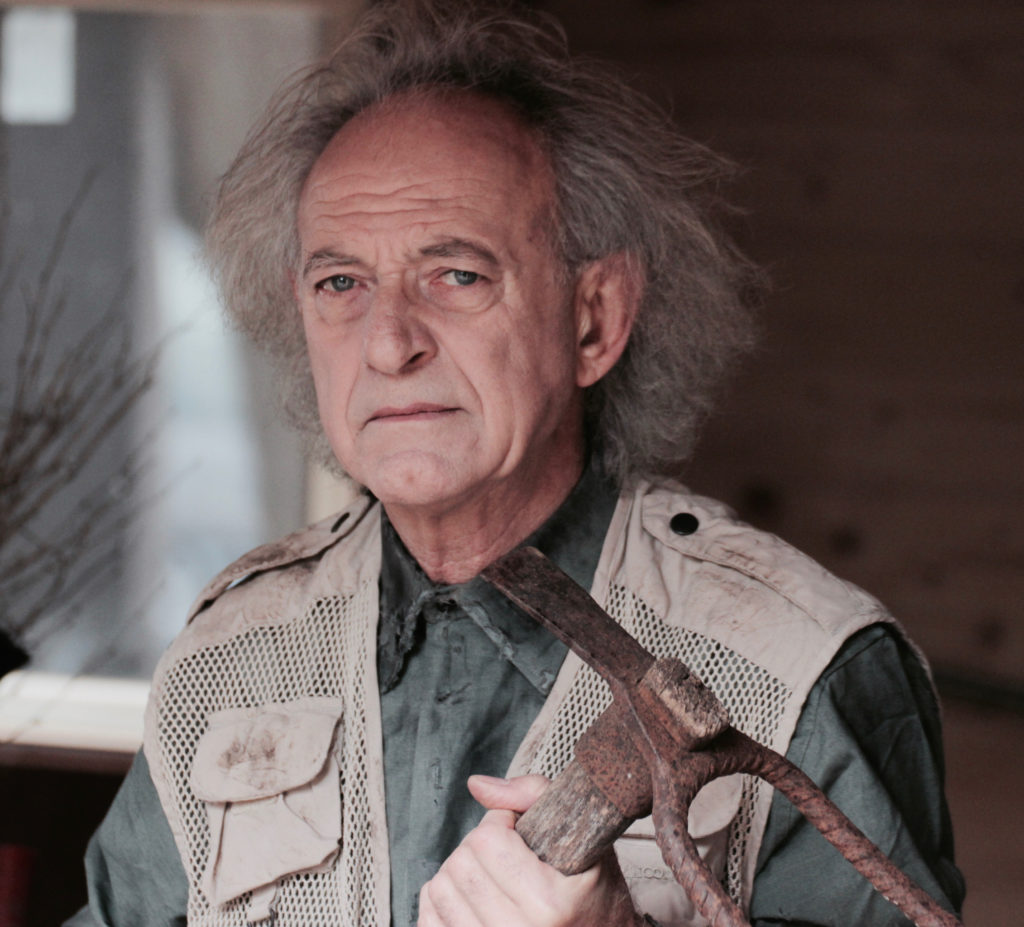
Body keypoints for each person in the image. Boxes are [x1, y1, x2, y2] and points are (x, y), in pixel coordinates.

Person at [70, 2, 964, 925]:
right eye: (341, 283)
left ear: (594, 319)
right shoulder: (230, 659)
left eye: (457, 274)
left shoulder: (794, 665)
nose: (388, 343)